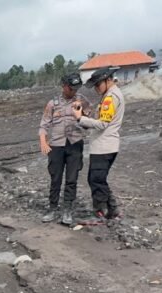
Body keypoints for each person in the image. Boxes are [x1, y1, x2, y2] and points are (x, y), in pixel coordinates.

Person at [38, 73, 92, 225]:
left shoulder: (82, 101)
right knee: (55, 178)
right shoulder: (52, 104)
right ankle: (52, 208)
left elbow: (89, 122)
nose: (73, 91)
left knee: (71, 179)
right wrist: (43, 141)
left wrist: (80, 114)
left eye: (76, 88)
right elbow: (43, 125)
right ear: (64, 86)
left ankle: (67, 210)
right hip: (56, 145)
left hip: (75, 144)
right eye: (71, 88)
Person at [73, 68, 125, 222]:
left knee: (96, 179)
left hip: (104, 146)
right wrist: (83, 116)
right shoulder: (111, 95)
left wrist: (79, 119)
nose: (96, 89)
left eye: (97, 85)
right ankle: (112, 209)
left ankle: (100, 211)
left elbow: (102, 124)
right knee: (98, 178)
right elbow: (101, 119)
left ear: (108, 80)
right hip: (106, 145)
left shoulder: (110, 98)